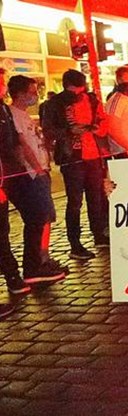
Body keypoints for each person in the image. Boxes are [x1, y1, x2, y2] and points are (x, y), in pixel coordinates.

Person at [42, 69, 110, 261]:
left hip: (93, 154)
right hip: (72, 157)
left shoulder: (92, 100)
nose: (78, 94)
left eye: (81, 89)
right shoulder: (55, 104)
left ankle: (99, 233)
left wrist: (97, 128)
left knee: (96, 198)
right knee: (75, 202)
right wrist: (69, 131)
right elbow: (49, 130)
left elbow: (103, 122)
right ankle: (75, 243)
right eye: (74, 90)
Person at [5, 75, 65, 284]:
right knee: (37, 219)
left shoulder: (24, 114)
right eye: (32, 92)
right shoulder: (13, 114)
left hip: (40, 170)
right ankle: (33, 266)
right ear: (20, 94)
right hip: (31, 174)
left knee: (44, 218)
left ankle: (42, 259)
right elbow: (21, 144)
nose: (36, 96)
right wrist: (36, 169)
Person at [0, 70, 31, 296]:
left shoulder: (3, 109)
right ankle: (12, 275)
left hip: (8, 175)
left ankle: (13, 274)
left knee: (4, 230)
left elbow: (12, 142)